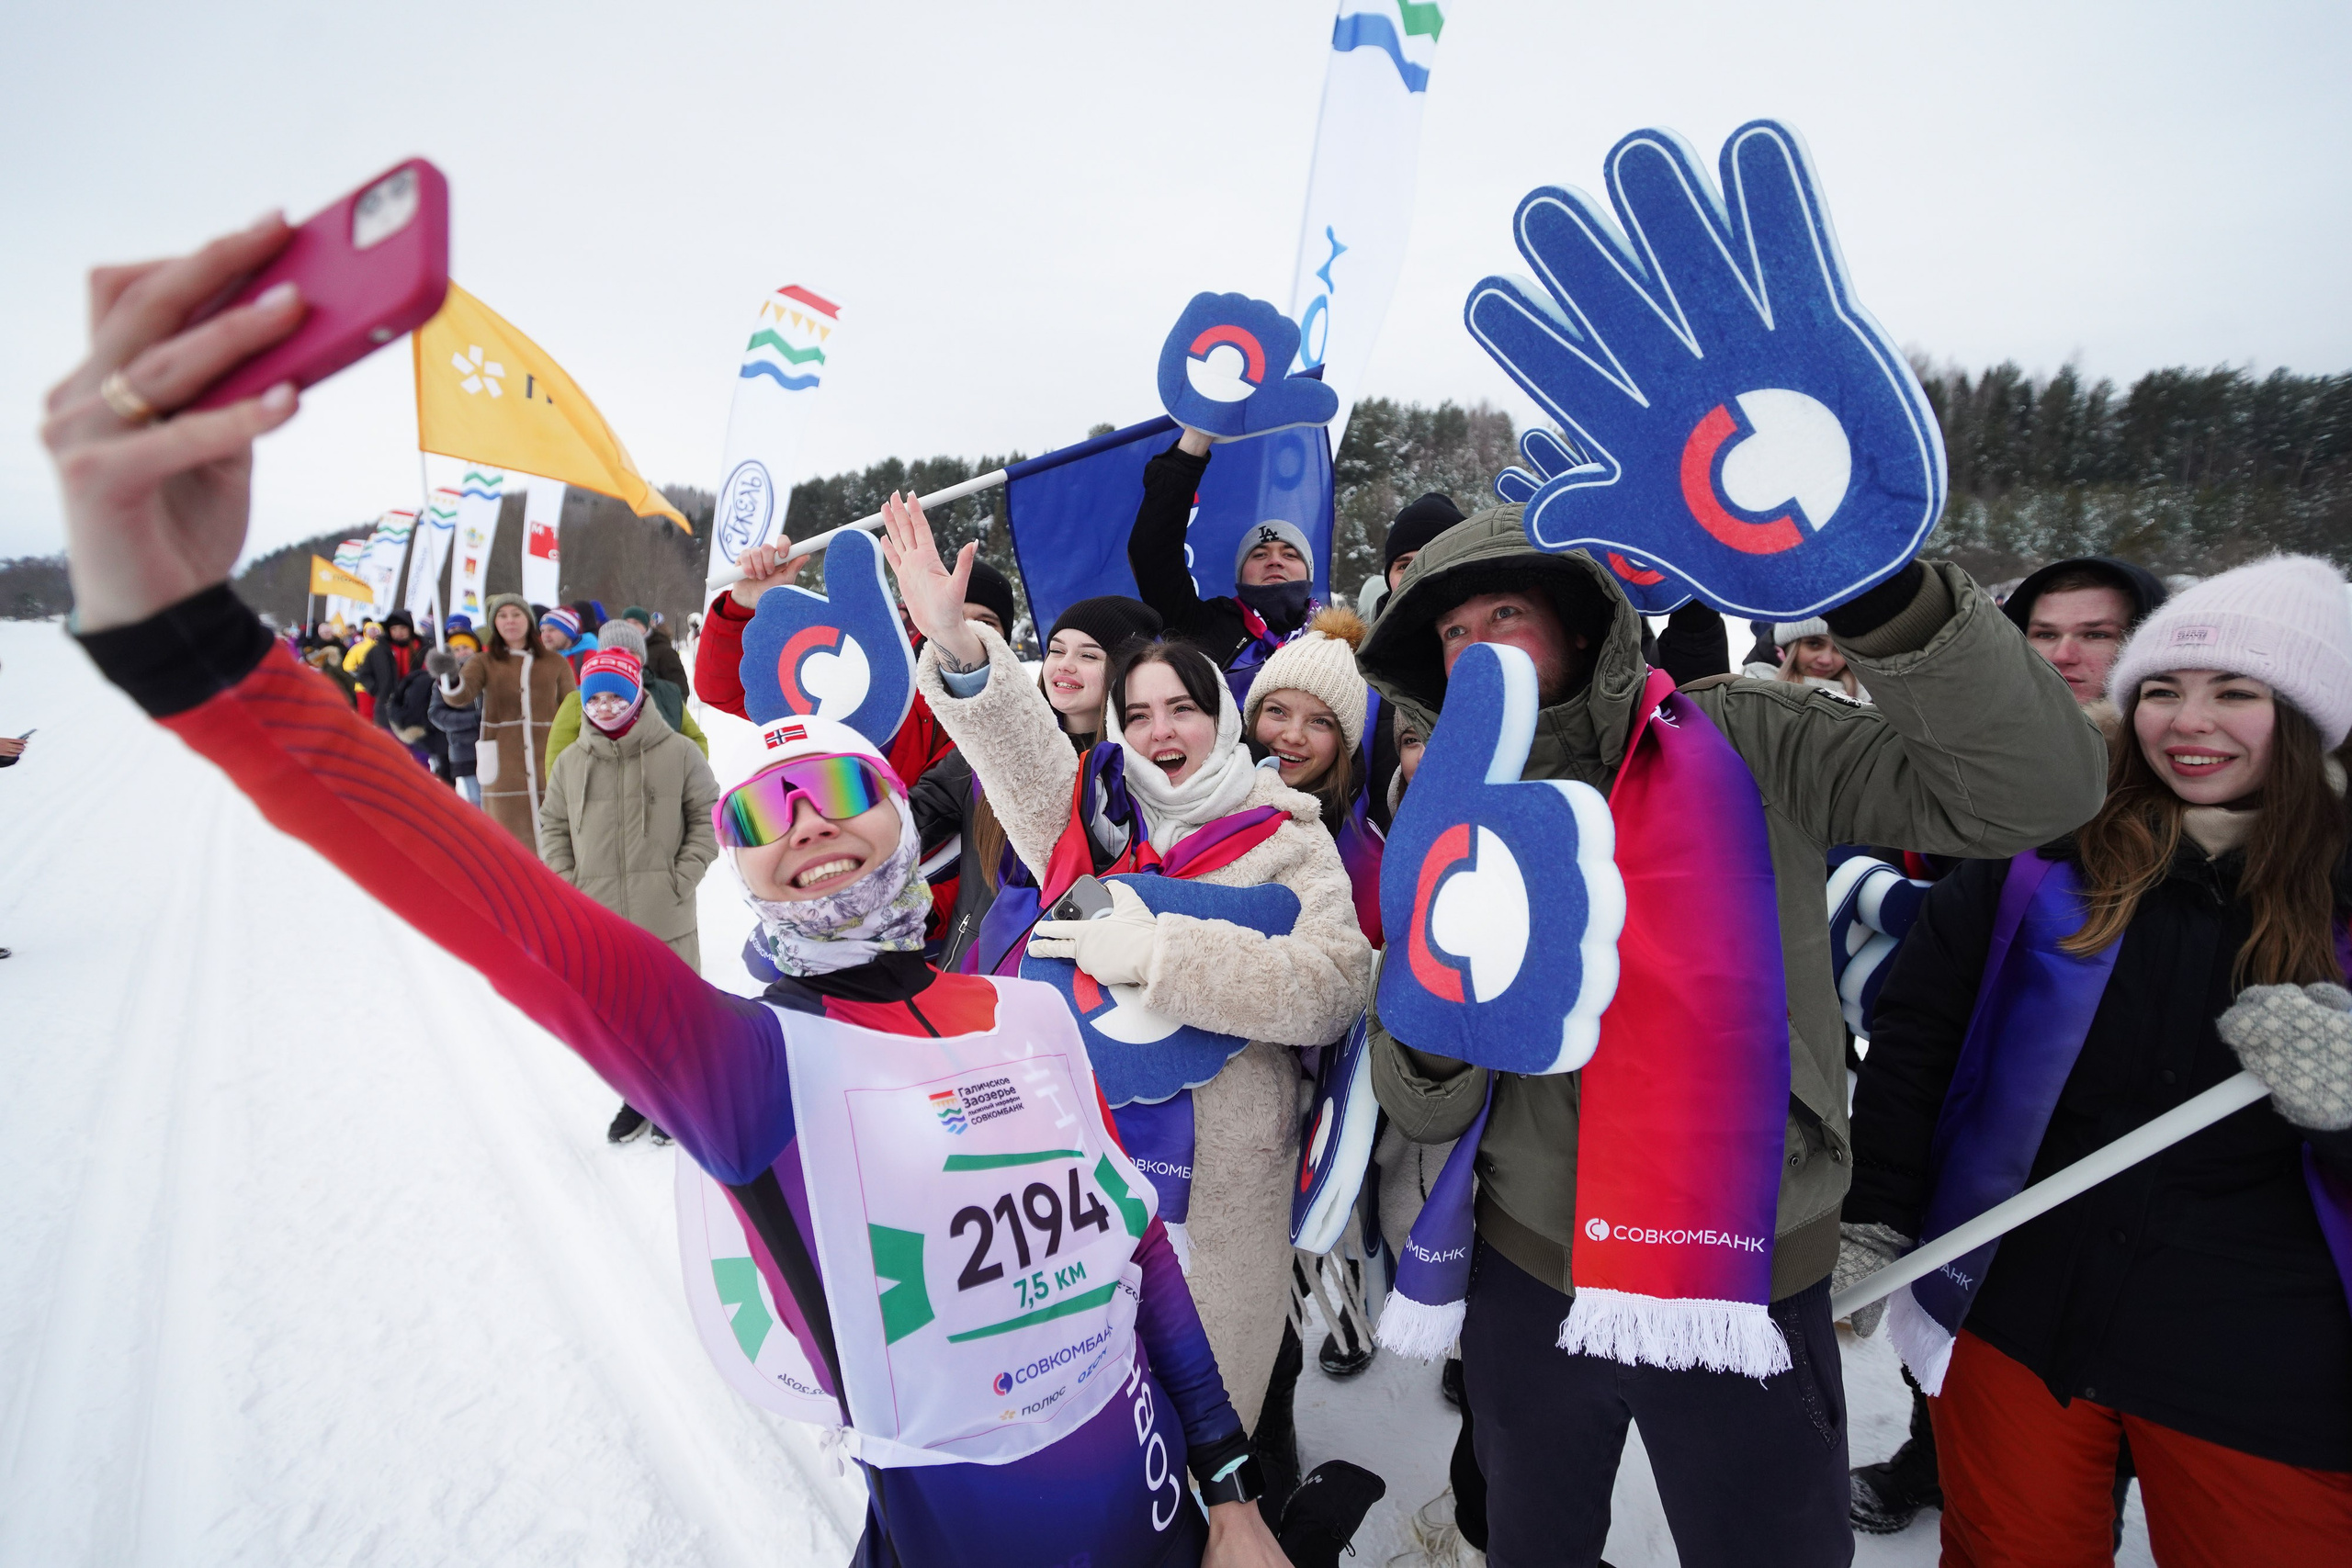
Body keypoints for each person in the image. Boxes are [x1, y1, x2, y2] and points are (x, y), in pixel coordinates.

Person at [40, 214, 1295, 1568]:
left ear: (901, 815)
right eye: (766, 807)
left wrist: (1232, 1485)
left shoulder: (1026, 1012)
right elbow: (490, 906)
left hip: (1178, 1524)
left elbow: (1135, 1256)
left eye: (841, 795)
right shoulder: (749, 1065)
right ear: (736, 846)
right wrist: (185, 640)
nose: (808, 826)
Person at [1356, 502, 2106, 1567]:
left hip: (1740, 1266)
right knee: (1530, 1543)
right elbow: (1421, 1098)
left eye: (1507, 613)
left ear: (1582, 622)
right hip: (1529, 1269)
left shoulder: (1751, 735)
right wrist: (1437, 1026)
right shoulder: (1454, 813)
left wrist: (1875, 591)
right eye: (1451, 635)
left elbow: (2030, 793)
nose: (1479, 652)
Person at [1840, 555, 2352, 1567]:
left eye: (2234, 693)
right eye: (2161, 691)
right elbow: (1918, 1036)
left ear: (2309, 714)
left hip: (2260, 1355)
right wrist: (1878, 1209)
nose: (2186, 721)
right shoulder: (2043, 854)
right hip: (2019, 1302)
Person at [888, 491, 1376, 1451]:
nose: (1162, 732)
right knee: (1096, 1422)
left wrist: (1162, 954)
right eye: (1139, 712)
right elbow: (1022, 756)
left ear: (1220, 718)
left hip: (1228, 1195)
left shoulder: (1285, 835)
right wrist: (956, 648)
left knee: (1215, 1430)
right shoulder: (1091, 822)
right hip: (1084, 1178)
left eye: (1184, 709)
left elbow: (1331, 986)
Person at [911, 594, 1165, 973]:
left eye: (1089, 656)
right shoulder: (990, 744)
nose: (1064, 665)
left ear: (1124, 673)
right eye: (1056, 650)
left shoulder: (1136, 773)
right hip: (970, 972)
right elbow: (910, 820)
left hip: (1068, 982)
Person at [539, 646, 721, 1147]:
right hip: (596, 919)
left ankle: (677, 1100)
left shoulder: (679, 754)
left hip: (665, 911)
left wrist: (680, 878)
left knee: (673, 1013)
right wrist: (568, 883)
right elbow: (552, 825)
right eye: (593, 697)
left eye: (613, 696)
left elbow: (710, 817)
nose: (603, 707)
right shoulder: (571, 763)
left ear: (636, 695)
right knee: (620, 1019)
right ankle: (639, 1096)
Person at [695, 541, 959, 805]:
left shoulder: (995, 729)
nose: (960, 629)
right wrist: (745, 604)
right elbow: (721, 689)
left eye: (984, 621)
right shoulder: (859, 676)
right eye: (942, 613)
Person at [1126, 428, 1322, 709]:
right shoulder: (1201, 627)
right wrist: (1192, 447)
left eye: (1290, 554)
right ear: (1240, 575)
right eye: (1259, 554)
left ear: (1309, 573)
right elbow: (1151, 551)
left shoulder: (1337, 642)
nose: (1274, 560)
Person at [442, 591, 575, 850]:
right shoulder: (482, 662)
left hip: (548, 761)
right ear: (495, 624)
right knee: (510, 844)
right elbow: (460, 696)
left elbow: (571, 709)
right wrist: (447, 673)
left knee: (557, 840)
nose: (510, 621)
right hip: (504, 765)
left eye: (516, 614)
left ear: (528, 621)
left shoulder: (555, 663)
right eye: (502, 616)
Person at [2001, 555, 2169, 711]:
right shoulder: (1981, 734)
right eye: (2046, 635)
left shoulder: (2181, 735)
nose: (2062, 656)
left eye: (2096, 635)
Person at [543, 618, 709, 771]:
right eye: (615, 651)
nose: (625, 658)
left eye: (632, 652)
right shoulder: (579, 700)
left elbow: (695, 740)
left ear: (642, 657)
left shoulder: (668, 693)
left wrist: (682, 777)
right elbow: (557, 757)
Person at [1747, 617, 1871, 703]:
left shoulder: (1875, 700)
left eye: (1840, 649)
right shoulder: (1748, 695)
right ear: (1788, 648)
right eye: (1814, 644)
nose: (1826, 660)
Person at [425, 628, 484, 805]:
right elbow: (437, 714)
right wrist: (475, 719)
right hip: (464, 750)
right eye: (456, 650)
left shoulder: (491, 672)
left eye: (466, 647)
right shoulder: (443, 680)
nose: (461, 653)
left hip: (497, 747)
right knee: (476, 801)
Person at [618, 604, 690, 694]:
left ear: (645, 625)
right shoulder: (619, 651)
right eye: (627, 623)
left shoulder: (664, 651)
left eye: (636, 623)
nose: (631, 627)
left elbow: (680, 688)